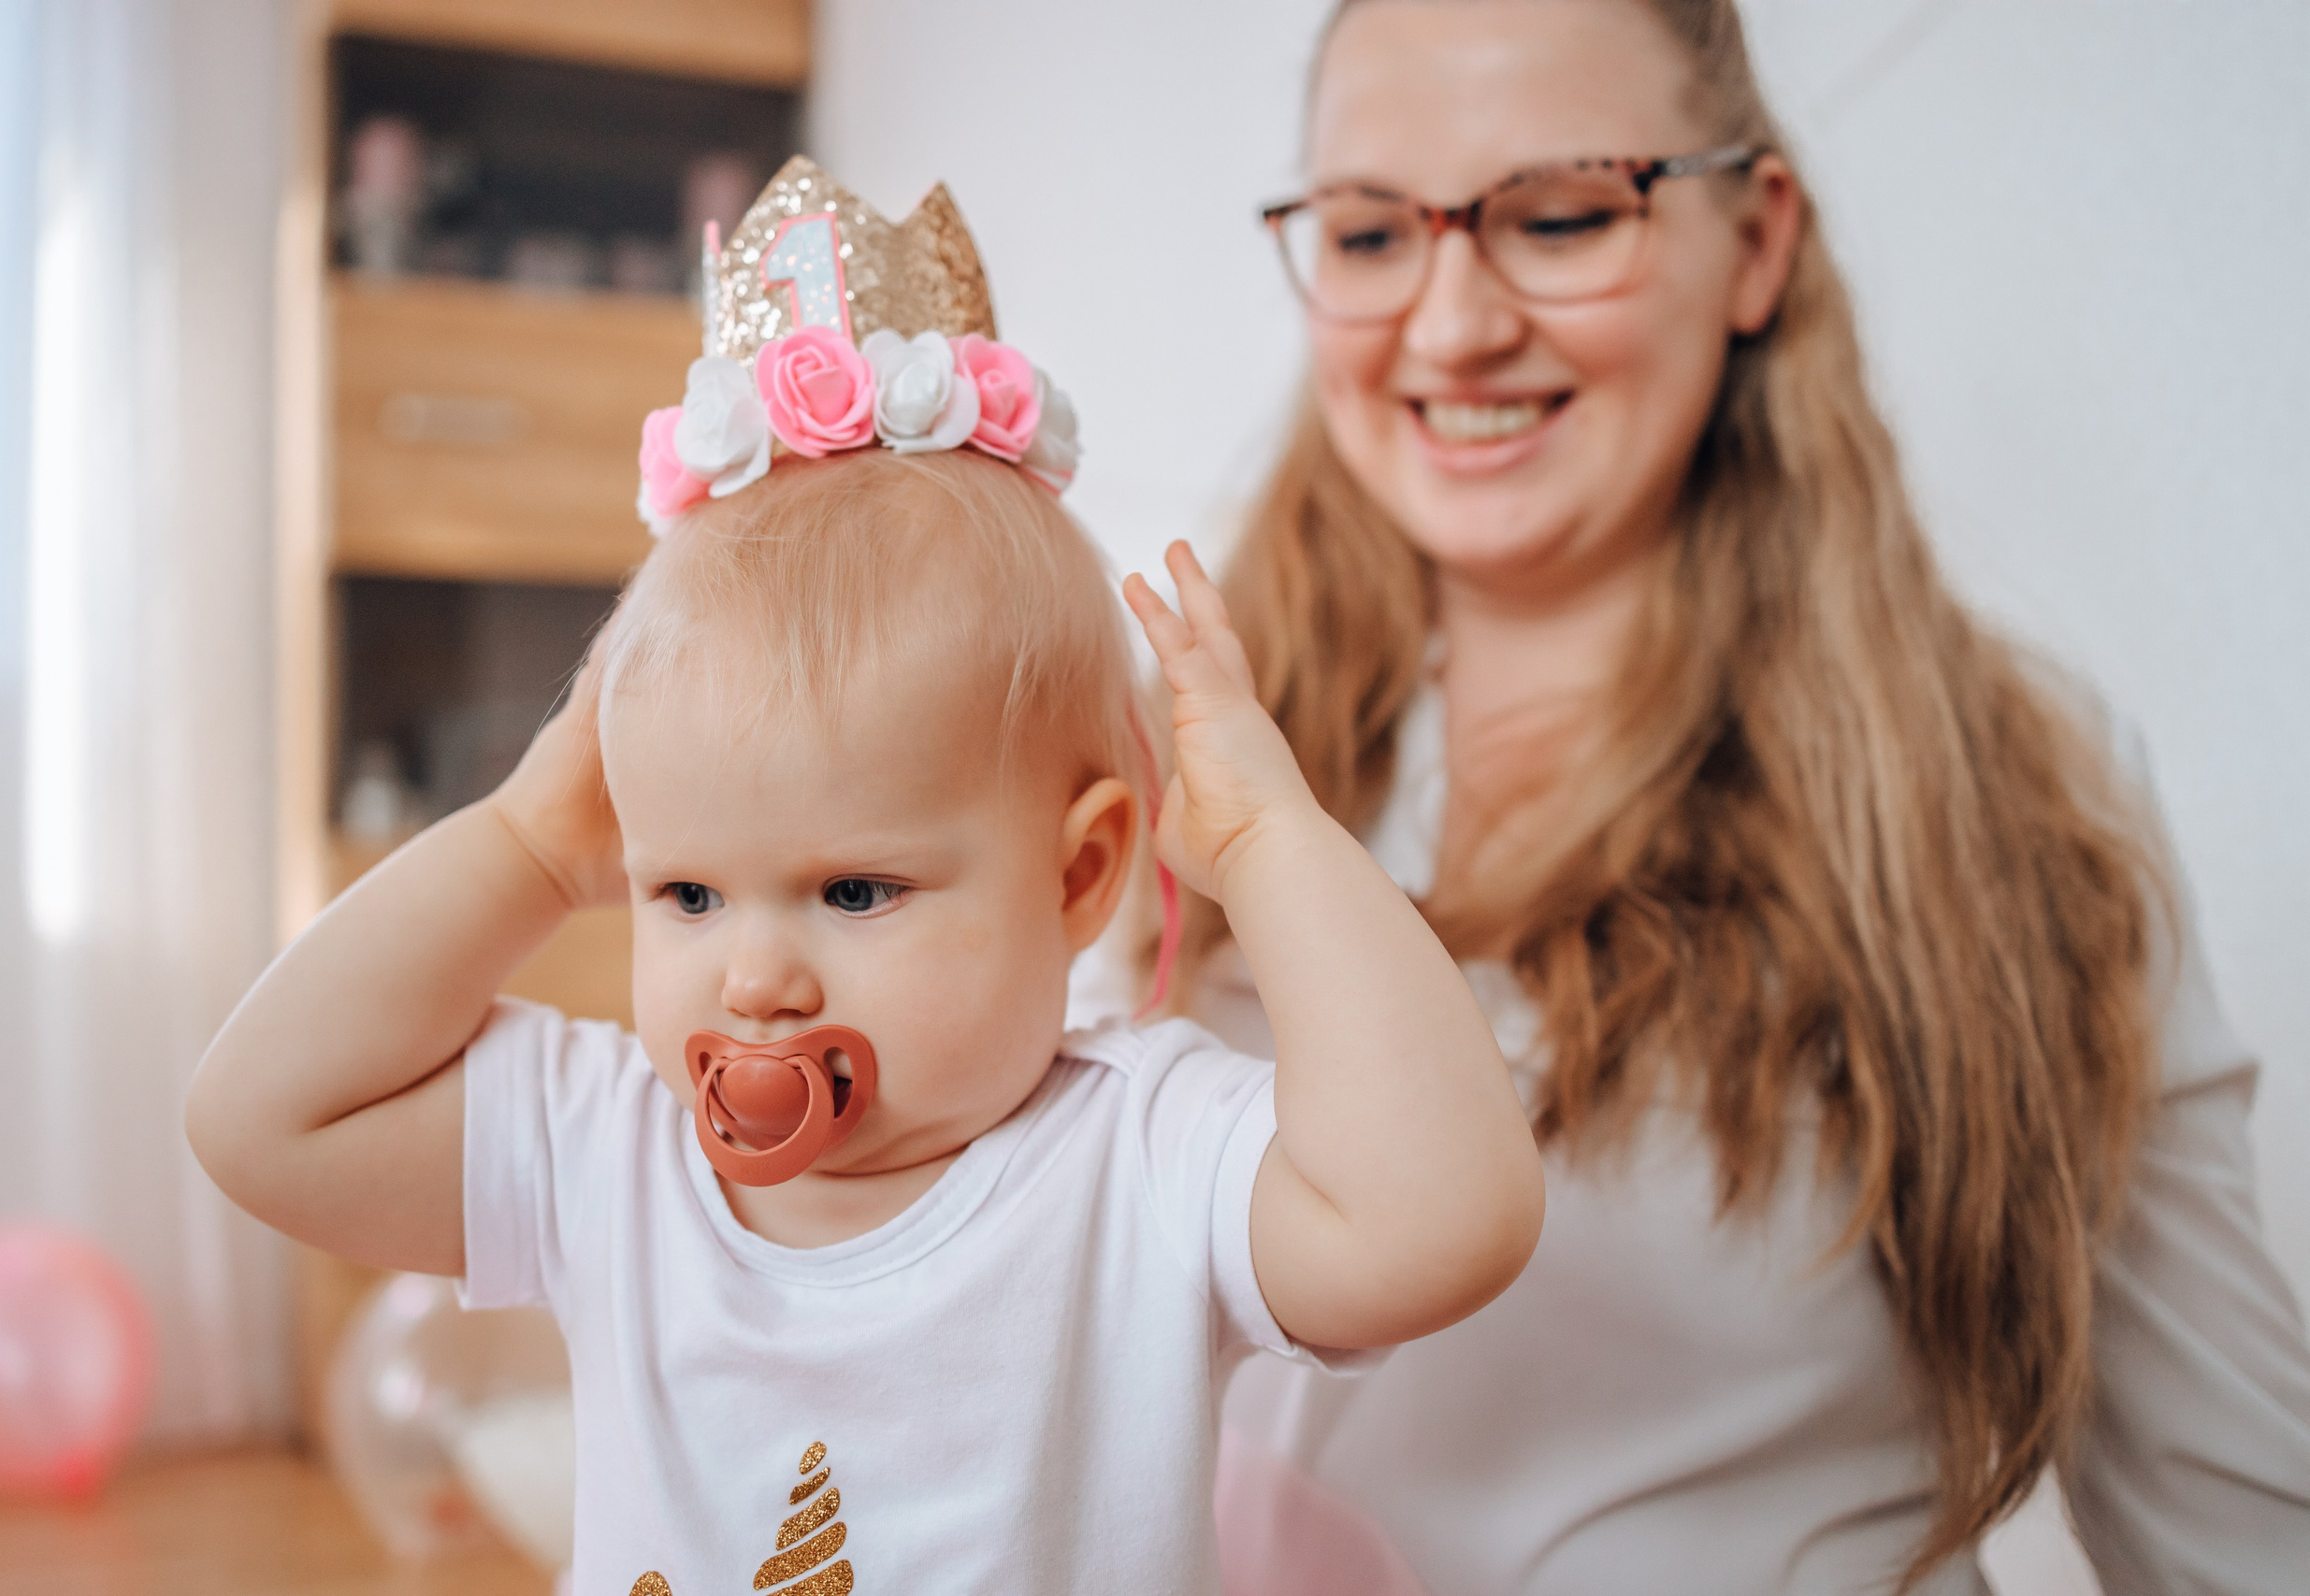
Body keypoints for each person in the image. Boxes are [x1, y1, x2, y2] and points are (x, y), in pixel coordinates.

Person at [184, 158, 1543, 1596]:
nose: (754, 975)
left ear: (1078, 878)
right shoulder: (610, 1145)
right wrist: (525, 843)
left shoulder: (1141, 1160)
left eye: (855, 893)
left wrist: (1277, 851)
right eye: (689, 896)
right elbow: (259, 1120)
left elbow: (1446, 1223)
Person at [1083, 2, 2310, 1591]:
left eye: (1565, 215)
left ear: (1755, 239)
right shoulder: (1141, 754)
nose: (1450, 327)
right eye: (1375, 235)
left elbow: (2235, 1529)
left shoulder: (2017, 791)